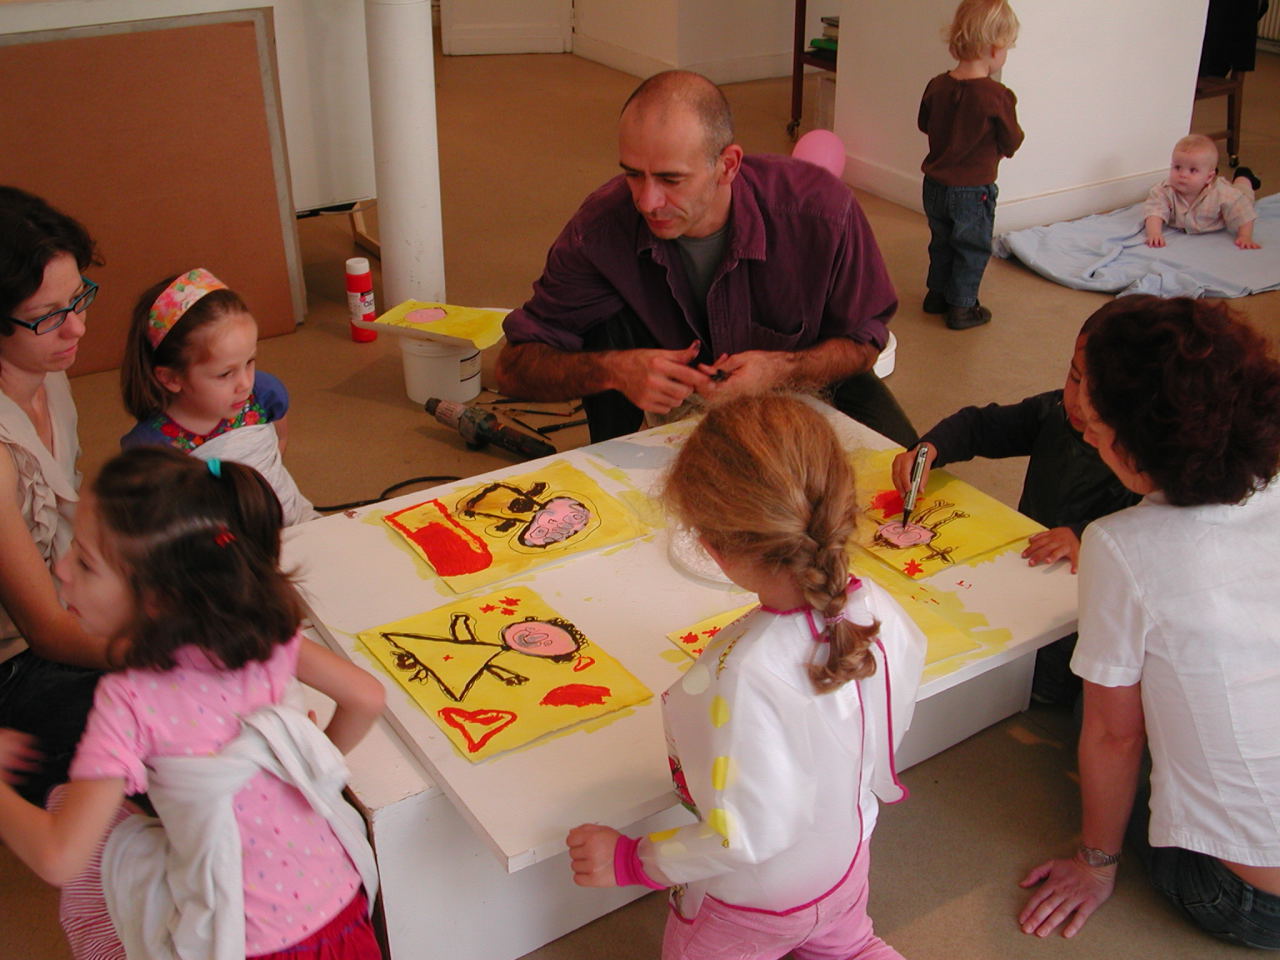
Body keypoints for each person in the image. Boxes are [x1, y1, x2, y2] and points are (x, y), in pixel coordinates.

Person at [566, 393, 925, 960]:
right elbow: (888, 718)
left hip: (753, 906)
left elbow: (744, 835)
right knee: (853, 947)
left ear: (714, 548)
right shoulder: (878, 605)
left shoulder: (741, 673)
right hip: (846, 859)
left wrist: (634, 860)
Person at [0, 447, 386, 959]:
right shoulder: (260, 632)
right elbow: (366, 696)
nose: (61, 569)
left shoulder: (129, 699)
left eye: (86, 563)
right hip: (340, 910)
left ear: (159, 599)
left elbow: (59, 856)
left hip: (249, 943)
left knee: (77, 817)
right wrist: (308, 761)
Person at [1017, 295, 1280, 948]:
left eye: (1098, 428)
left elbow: (1116, 736)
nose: (1086, 433)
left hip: (1247, 897)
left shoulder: (1120, 545)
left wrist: (1094, 865)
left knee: (1097, 703)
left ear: (1135, 451)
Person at [495, 70, 917, 448]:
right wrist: (615, 370)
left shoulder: (821, 212)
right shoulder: (602, 228)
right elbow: (514, 367)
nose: (647, 201)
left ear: (728, 165)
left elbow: (864, 341)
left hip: (806, 380)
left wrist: (782, 369)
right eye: (633, 174)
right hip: (674, 392)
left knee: (910, 478)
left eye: (671, 179)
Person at [890, 313, 1140, 703]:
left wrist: (1084, 535)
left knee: (1047, 683)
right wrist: (930, 448)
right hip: (1025, 570)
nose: (1079, 401)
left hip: (1084, 601)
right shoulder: (1055, 411)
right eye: (1075, 377)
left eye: (1101, 392)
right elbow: (978, 426)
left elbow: (1151, 526)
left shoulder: (1144, 459)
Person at [0, 186, 112, 806]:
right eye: (47, 315)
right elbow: (42, 630)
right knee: (174, 723)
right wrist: (165, 652)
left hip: (64, 603)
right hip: (15, 663)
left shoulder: (46, 368)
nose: (78, 327)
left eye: (77, 299)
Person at [120, 268, 319, 525]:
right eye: (225, 374)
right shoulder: (151, 447)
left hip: (299, 524)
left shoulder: (264, 393)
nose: (245, 383)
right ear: (172, 378)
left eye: (250, 361)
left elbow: (280, 440)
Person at [918, 0, 1024, 331]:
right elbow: (1012, 139)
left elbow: (924, 124)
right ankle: (962, 306)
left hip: (934, 186)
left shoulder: (937, 85)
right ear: (994, 48)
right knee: (971, 248)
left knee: (941, 242)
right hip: (972, 191)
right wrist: (999, 148)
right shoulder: (997, 95)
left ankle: (936, 294)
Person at [1143, 134, 1262, 249]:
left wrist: (1245, 236)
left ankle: (1244, 176)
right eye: (1177, 167)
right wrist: (1154, 233)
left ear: (1209, 177)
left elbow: (1243, 212)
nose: (1183, 175)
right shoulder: (1164, 190)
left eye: (1193, 170)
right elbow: (1154, 211)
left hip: (1234, 195)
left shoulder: (1223, 194)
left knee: (1245, 195)